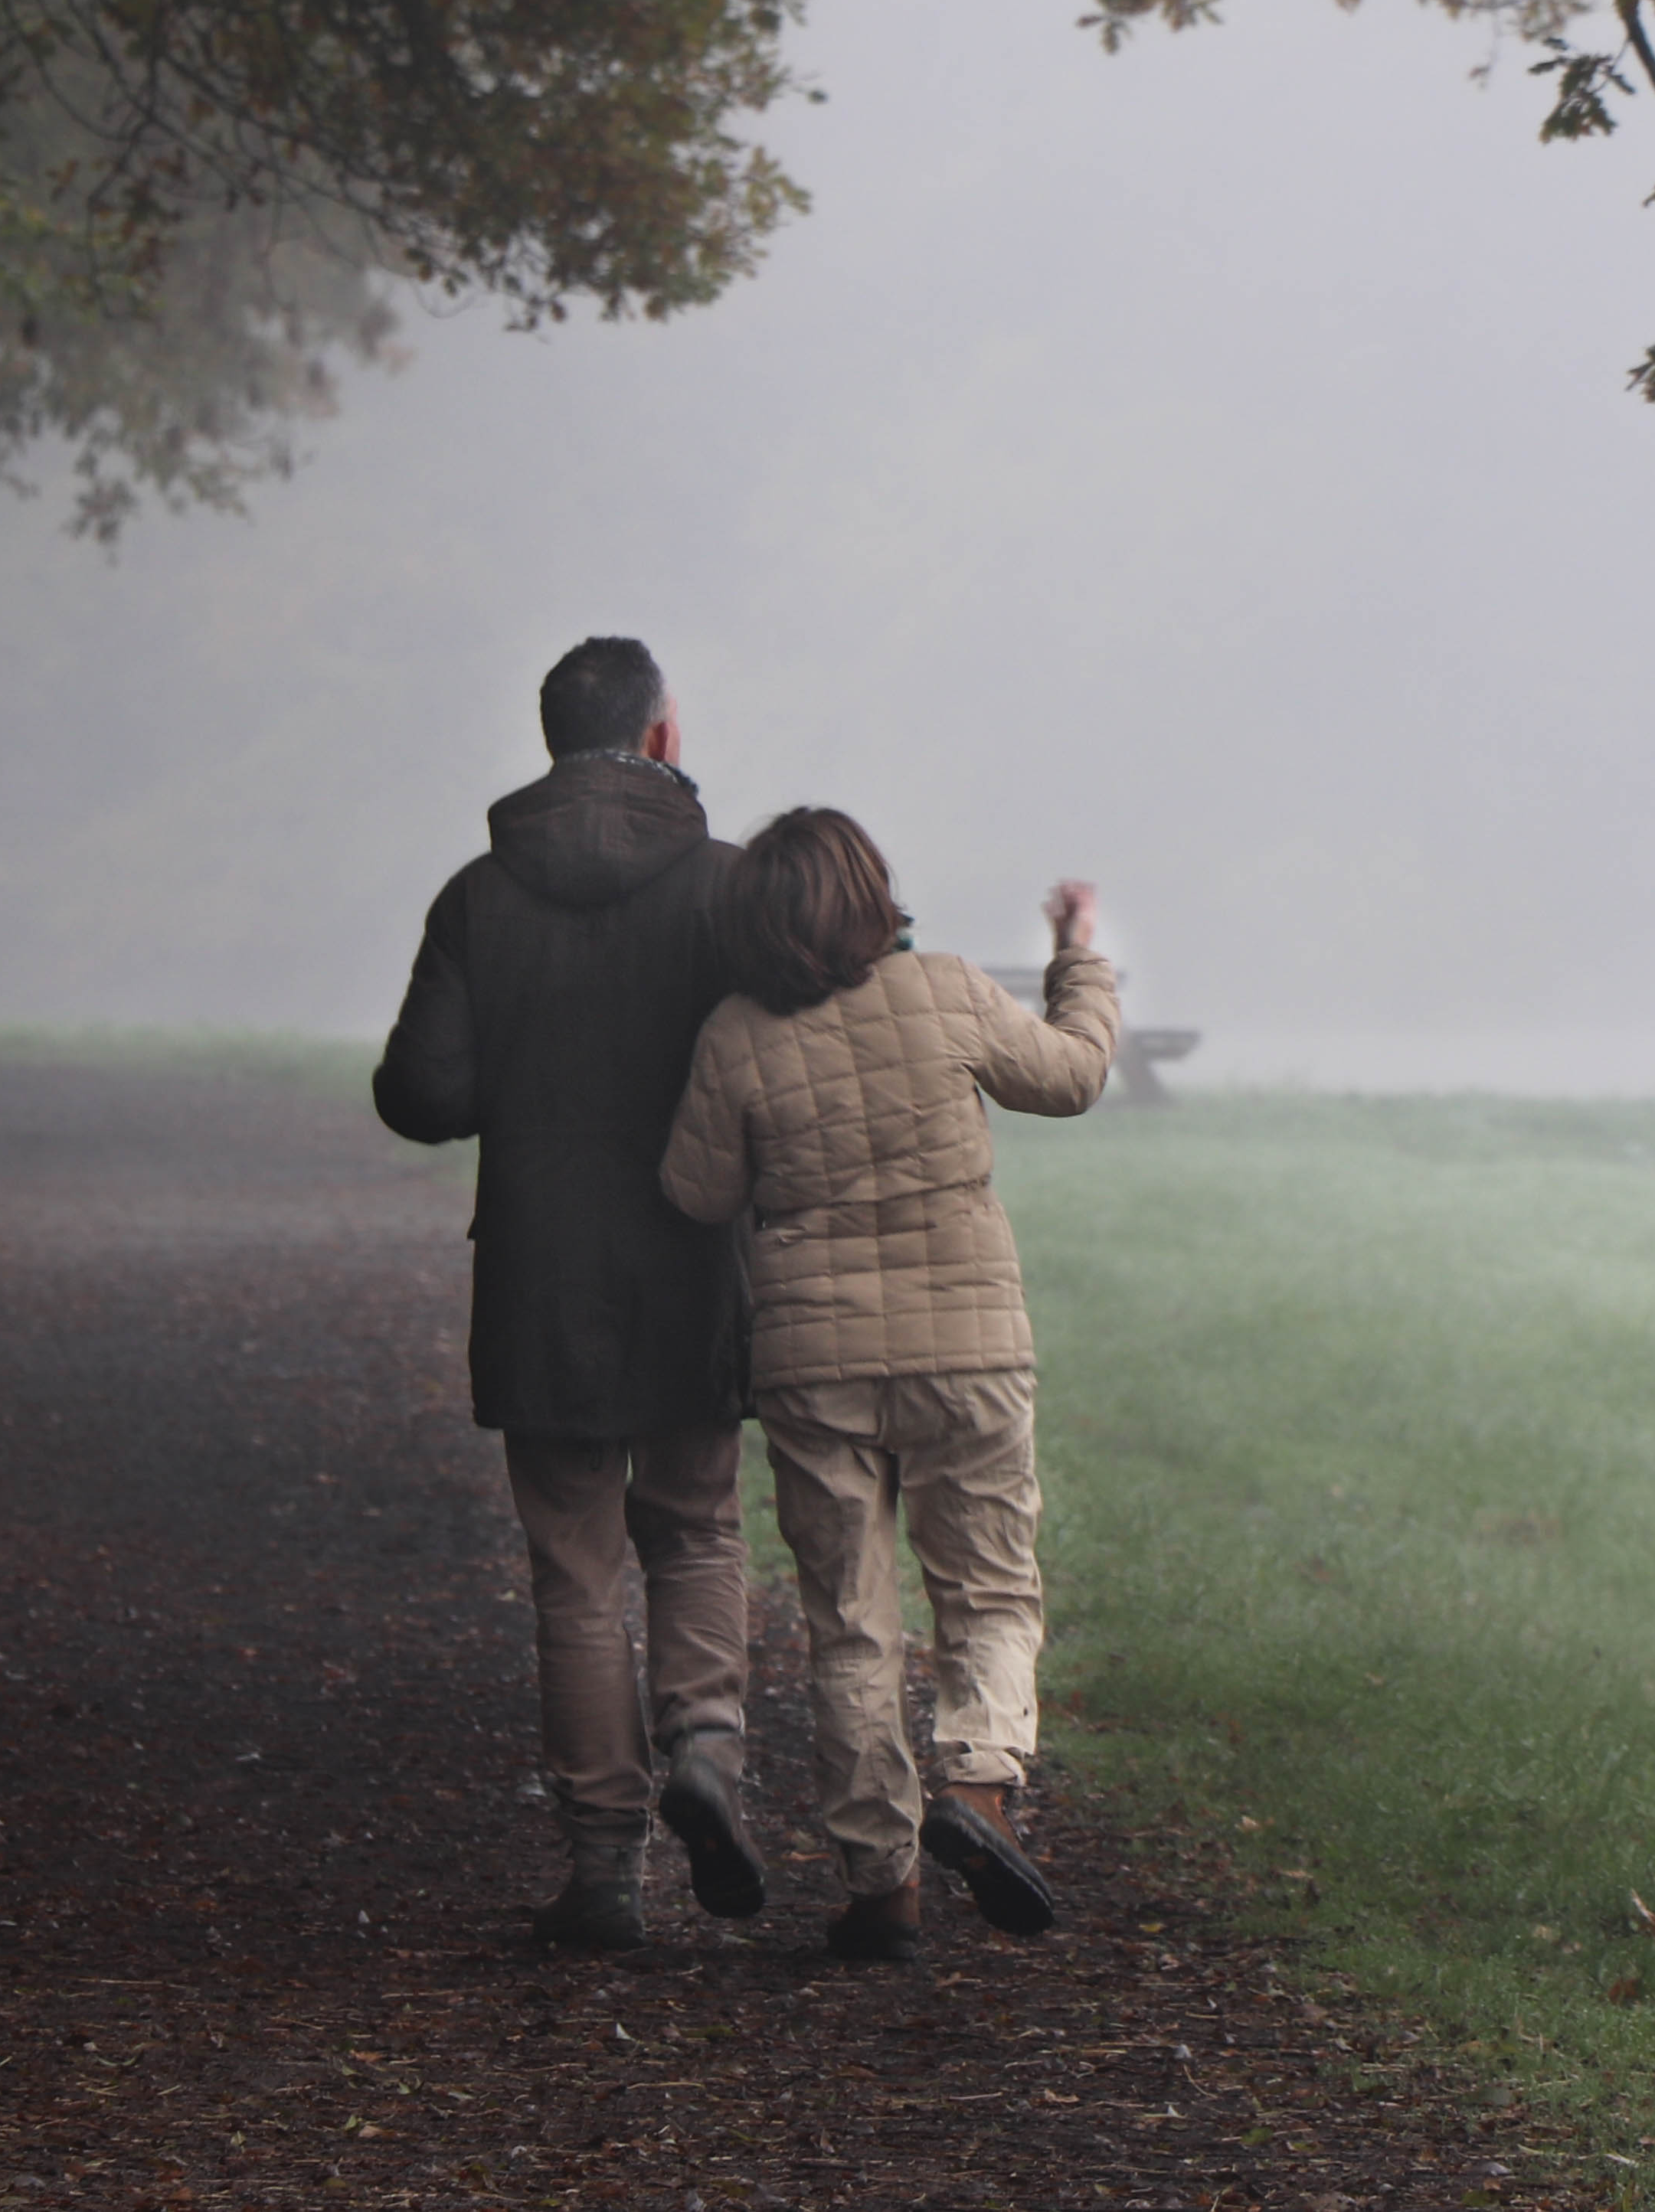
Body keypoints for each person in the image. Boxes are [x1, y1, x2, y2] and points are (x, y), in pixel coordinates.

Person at [657, 812, 1114, 1965]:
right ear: (873, 897)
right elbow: (1072, 1077)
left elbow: (698, 1194)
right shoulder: (945, 989)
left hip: (816, 1366)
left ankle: (883, 1887)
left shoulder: (735, 1032)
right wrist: (1078, 956)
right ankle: (981, 1787)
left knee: (852, 1624)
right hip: (969, 1348)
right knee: (990, 1591)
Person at [371, 639, 770, 1952]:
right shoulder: (729, 890)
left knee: (576, 1571)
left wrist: (530, 1067)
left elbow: (421, 1092)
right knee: (696, 1527)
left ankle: (605, 1866)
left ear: (553, 741)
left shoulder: (478, 896)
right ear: (661, 737)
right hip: (695, 1258)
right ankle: (704, 1743)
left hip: (540, 1271)